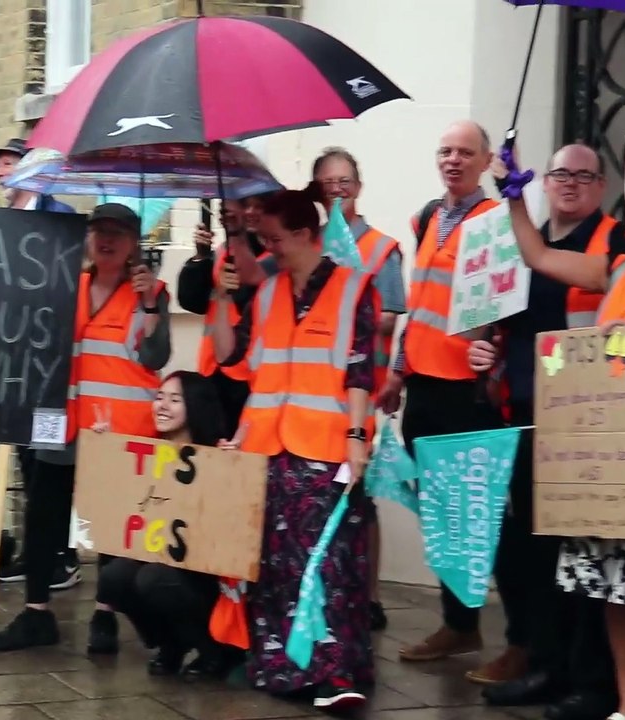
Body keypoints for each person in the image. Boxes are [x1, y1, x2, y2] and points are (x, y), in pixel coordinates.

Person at [500, 159, 625, 720]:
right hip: (606, 460)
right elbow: (538, 257)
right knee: (614, 594)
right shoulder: (618, 272)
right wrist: (515, 199)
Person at [470, 144, 625, 719]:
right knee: (536, 557)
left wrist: (508, 197)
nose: (570, 184)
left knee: (585, 558)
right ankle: (546, 666)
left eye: (584, 176)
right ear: (547, 179)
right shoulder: (523, 238)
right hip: (525, 417)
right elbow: (500, 318)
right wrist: (483, 348)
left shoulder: (616, 242)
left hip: (588, 424)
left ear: (602, 184)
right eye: (561, 173)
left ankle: (589, 683)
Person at [209, 183, 376, 712]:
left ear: (305, 234)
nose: (269, 248)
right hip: (268, 449)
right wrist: (220, 292)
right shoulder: (265, 293)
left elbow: (359, 370)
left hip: (326, 450)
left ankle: (336, 670)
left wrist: (355, 437)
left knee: (327, 565)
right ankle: (285, 667)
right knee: (279, 566)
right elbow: (230, 355)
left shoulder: (354, 289)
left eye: (275, 239)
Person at [0, 203, 171, 652]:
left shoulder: (154, 293)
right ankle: (36, 613)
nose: (106, 239)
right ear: (87, 237)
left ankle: (105, 616)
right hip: (64, 424)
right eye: (98, 231)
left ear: (134, 243)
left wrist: (149, 305)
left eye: (118, 232)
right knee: (43, 515)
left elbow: (155, 357)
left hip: (120, 430)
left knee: (109, 526)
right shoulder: (65, 284)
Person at [382, 121, 507, 673]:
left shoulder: (497, 223)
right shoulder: (428, 216)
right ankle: (459, 626)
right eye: (446, 151)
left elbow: (504, 308)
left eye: (466, 153)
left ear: (485, 163)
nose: (453, 160)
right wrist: (397, 372)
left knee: (473, 514)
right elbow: (420, 307)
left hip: (468, 393)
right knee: (440, 514)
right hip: (424, 388)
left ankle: (500, 632)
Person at [86, 371, 242, 679]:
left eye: (174, 399)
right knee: (113, 578)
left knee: (152, 577)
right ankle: (171, 644)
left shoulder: (215, 455)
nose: (162, 405)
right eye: (159, 397)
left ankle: (213, 650)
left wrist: (233, 469)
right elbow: (107, 506)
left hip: (208, 582)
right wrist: (103, 451)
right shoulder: (147, 453)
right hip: (160, 563)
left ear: (195, 406)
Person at [312, 146, 406, 633]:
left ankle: (367, 598)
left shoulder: (381, 248)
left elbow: (391, 315)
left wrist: (390, 375)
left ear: (359, 186)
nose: (337, 189)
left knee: (360, 499)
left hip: (360, 392)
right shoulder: (308, 247)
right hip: (313, 393)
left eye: (345, 180)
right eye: (328, 183)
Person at [0, 137, 83, 591]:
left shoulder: (58, 217)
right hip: (16, 360)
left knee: (49, 461)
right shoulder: (2, 224)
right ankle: (37, 554)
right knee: (29, 458)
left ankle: (60, 555)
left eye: (8, 164)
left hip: (51, 364)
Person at [177, 198, 277, 435]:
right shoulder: (222, 252)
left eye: (241, 206)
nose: (230, 212)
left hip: (247, 376)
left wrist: (236, 233)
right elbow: (192, 301)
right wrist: (200, 258)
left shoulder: (271, 257)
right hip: (212, 369)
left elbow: (248, 288)